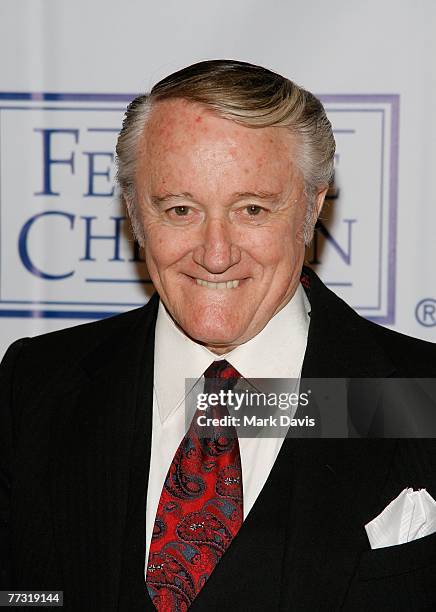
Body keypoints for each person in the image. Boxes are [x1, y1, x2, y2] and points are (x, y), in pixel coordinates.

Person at [1, 59, 436, 611]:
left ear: (312, 208)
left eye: (251, 209)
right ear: (134, 211)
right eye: (180, 209)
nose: (215, 254)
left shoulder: (421, 396)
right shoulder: (35, 386)